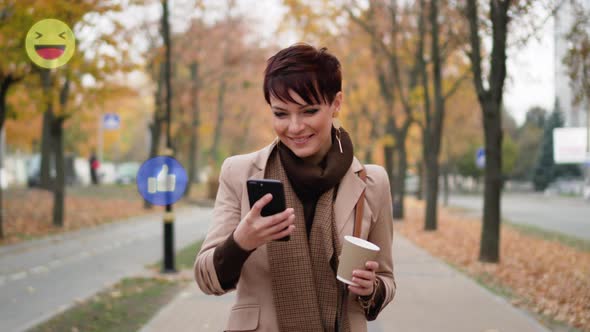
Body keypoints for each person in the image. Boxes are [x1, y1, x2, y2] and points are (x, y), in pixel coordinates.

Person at [194, 43, 395, 332]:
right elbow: (205, 278)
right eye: (281, 114)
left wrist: (370, 289)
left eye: (309, 111)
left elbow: (386, 280)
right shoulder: (239, 172)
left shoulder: (373, 182)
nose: (295, 127)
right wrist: (241, 242)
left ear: (336, 103)